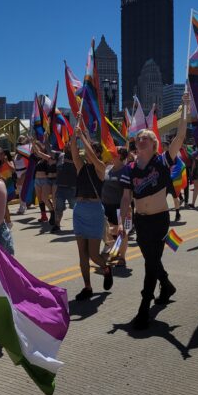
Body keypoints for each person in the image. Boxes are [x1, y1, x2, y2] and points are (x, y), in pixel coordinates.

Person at [120, 93, 188, 330]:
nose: (140, 140)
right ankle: (167, 285)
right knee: (152, 259)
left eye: (145, 138)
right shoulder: (129, 168)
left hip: (160, 219)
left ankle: (143, 310)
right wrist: (123, 220)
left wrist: (185, 109)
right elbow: (126, 196)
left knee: (150, 263)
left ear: (154, 144)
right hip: (140, 220)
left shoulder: (163, 161)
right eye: (138, 138)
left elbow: (180, 136)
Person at [70, 125, 112, 300]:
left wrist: (84, 138)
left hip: (94, 211)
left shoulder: (101, 168)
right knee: (82, 254)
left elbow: (92, 156)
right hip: (79, 210)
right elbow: (73, 151)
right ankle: (87, 287)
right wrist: (75, 136)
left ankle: (106, 268)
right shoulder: (81, 167)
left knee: (94, 254)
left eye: (91, 151)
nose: (87, 153)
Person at [101, 147, 128, 266]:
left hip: (120, 206)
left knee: (122, 232)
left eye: (114, 153)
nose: (110, 154)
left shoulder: (126, 170)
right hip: (106, 206)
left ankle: (122, 257)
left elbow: (128, 193)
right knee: (110, 231)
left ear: (120, 156)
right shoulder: (108, 169)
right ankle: (115, 251)